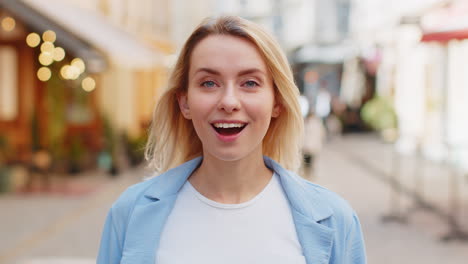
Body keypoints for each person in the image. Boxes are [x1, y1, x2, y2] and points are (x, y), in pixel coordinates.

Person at [97, 16, 366, 264]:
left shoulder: (335, 219)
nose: (228, 102)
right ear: (184, 102)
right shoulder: (129, 214)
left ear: (277, 103)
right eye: (209, 83)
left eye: (249, 83)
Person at [302, 111, 326, 179]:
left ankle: (308, 173)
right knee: (311, 160)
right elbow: (322, 135)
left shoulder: (307, 123)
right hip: (312, 146)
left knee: (307, 161)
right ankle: (309, 173)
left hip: (308, 146)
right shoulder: (318, 124)